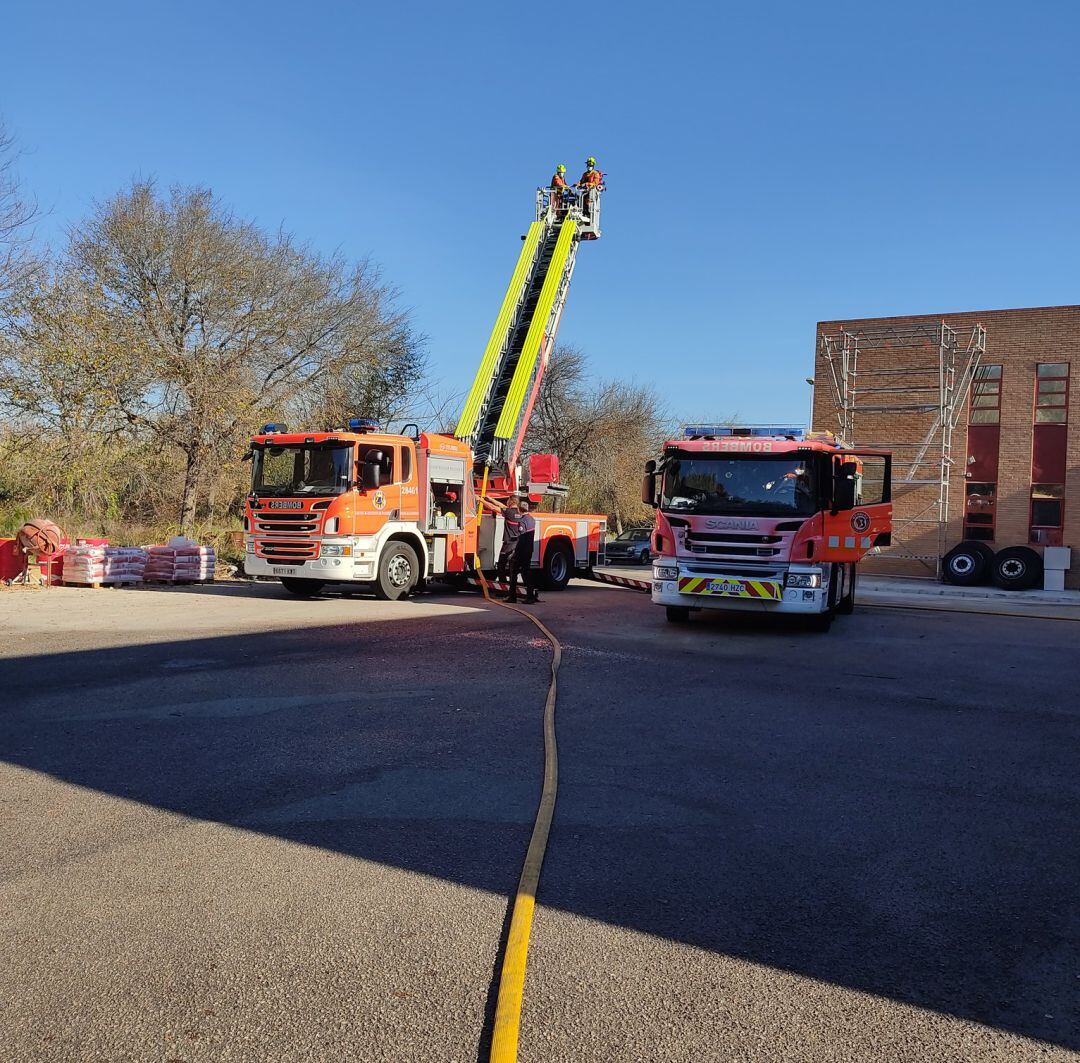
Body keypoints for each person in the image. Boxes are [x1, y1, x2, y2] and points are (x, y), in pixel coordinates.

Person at [508, 499, 541, 604]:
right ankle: (530, 596)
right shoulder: (532, 519)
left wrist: (515, 553)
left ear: (519, 509)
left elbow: (522, 539)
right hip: (529, 550)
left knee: (514, 572)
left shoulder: (522, 521)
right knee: (526, 572)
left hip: (522, 552)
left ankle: (512, 597)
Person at [496, 496, 523, 590]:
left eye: (508, 500)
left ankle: (503, 587)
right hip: (517, 543)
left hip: (508, 543)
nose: (507, 502)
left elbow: (494, 508)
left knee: (501, 565)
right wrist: (491, 499)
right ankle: (511, 587)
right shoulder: (519, 513)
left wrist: (481, 500)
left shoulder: (508, 512)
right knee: (513, 566)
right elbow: (502, 507)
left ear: (511, 501)